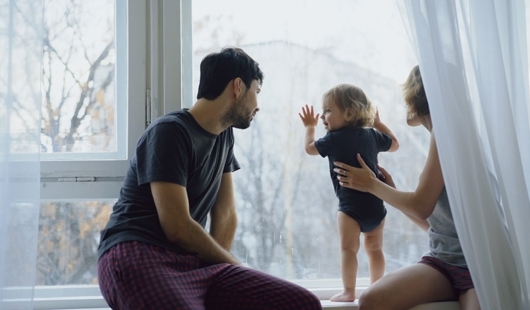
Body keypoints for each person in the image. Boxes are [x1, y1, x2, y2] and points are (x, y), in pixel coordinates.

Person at [97, 47, 322, 310]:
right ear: (238, 86)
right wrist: (233, 264)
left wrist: (225, 274)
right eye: (256, 92)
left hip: (192, 262)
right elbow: (177, 226)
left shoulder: (225, 136)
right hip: (137, 253)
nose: (257, 106)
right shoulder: (169, 132)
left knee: (301, 303)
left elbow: (226, 215)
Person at [333, 66, 481, 310]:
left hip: (477, 268)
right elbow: (436, 227)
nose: (404, 100)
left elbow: (421, 206)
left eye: (408, 92)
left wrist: (372, 184)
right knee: (371, 300)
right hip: (443, 262)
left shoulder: (448, 133)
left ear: (420, 95)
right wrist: (389, 192)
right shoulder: (442, 134)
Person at [298, 84, 400, 302]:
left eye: (328, 110)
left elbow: (309, 149)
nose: (323, 116)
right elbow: (395, 145)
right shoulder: (372, 135)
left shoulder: (333, 139)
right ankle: (376, 289)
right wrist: (380, 124)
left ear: (349, 113)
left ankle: (349, 291)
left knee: (348, 250)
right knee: (375, 250)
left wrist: (309, 127)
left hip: (350, 209)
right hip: (376, 207)